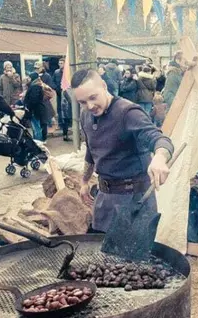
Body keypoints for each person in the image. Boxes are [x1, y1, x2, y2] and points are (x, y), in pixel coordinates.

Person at [72, 68, 175, 232]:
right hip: (104, 200)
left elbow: (160, 139)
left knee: (134, 257)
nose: (89, 106)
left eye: (93, 97)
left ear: (104, 86)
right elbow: (91, 151)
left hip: (134, 202)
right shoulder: (86, 116)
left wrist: (159, 158)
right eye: (82, 102)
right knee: (100, 254)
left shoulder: (128, 113)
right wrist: (84, 181)